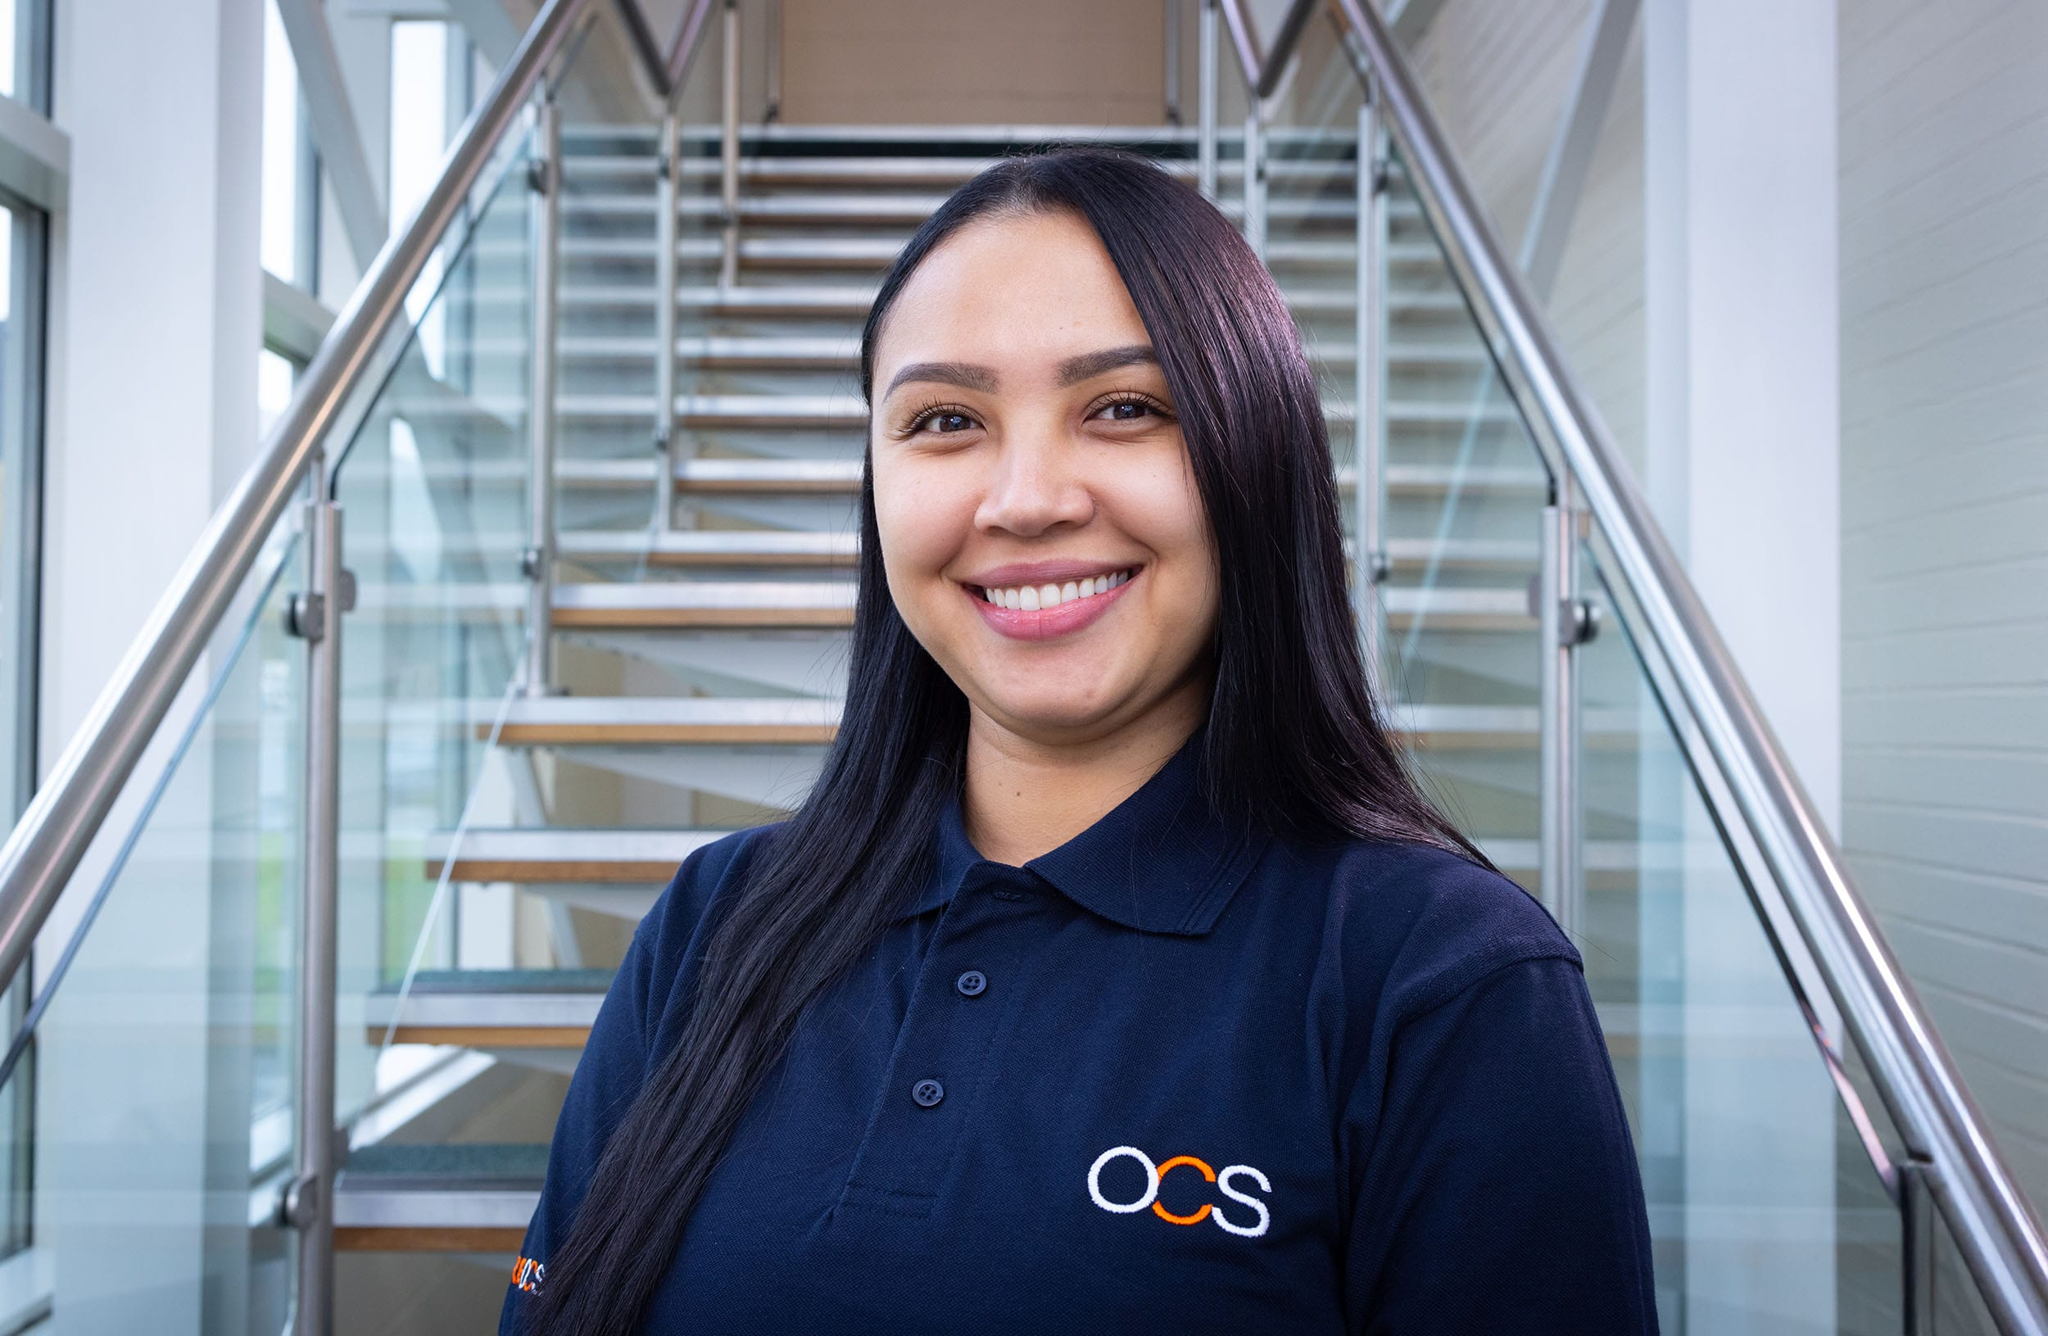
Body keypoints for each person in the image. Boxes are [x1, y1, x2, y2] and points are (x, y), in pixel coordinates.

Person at [500, 145, 1658, 1336]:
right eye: (945, 419)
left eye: (1122, 408)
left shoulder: (1444, 983)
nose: (1026, 497)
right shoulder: (716, 919)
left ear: (1251, 453)